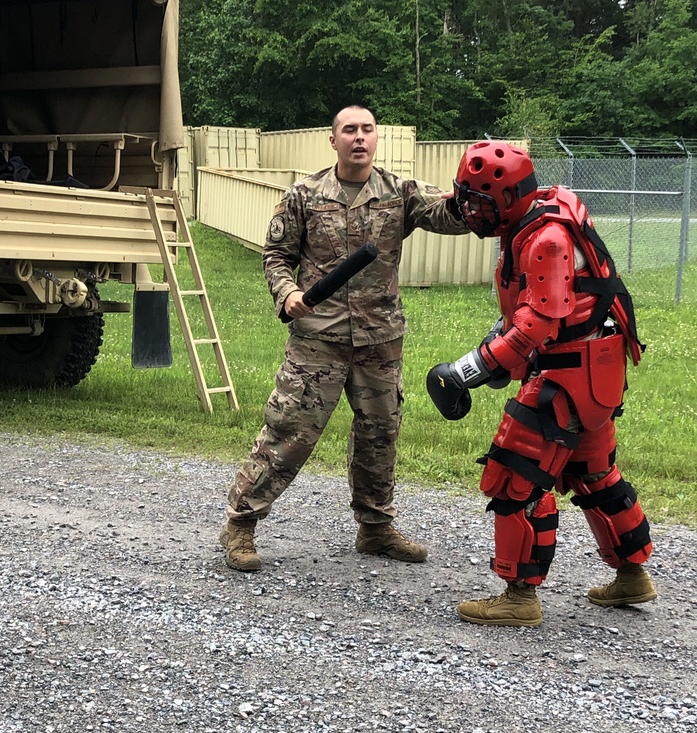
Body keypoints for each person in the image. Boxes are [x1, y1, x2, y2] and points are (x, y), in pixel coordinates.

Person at [219, 104, 469, 572]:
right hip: (319, 339)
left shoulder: (402, 193)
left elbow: (451, 216)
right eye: (349, 130)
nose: (359, 137)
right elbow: (275, 253)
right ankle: (241, 524)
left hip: (379, 339)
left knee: (379, 435)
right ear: (332, 140)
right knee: (290, 433)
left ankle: (375, 529)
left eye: (367, 130)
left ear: (378, 139)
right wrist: (288, 291)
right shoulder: (305, 195)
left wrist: (475, 194)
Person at [427, 141, 656, 626]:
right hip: (596, 365)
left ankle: (519, 597)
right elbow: (536, 306)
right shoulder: (540, 215)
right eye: (466, 196)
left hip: (567, 373)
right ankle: (633, 577)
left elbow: (539, 324)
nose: (469, 210)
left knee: (516, 478)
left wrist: (470, 368)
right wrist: (500, 351)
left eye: (479, 201)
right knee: (594, 474)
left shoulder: (545, 238)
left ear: (509, 197)